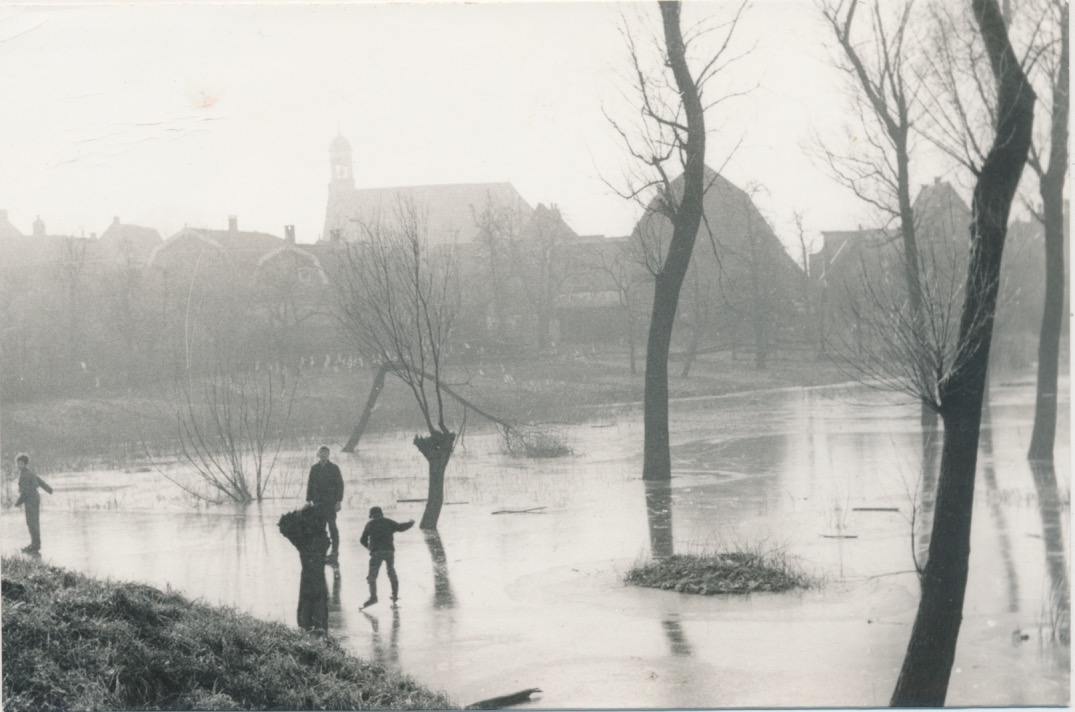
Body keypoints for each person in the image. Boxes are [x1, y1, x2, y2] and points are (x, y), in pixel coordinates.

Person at [359, 506, 414, 608]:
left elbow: (362, 540)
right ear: (381, 514)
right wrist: (410, 523)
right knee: (391, 571)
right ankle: (395, 595)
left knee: (372, 576)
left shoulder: (369, 524)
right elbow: (400, 527)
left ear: (371, 515)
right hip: (389, 551)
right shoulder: (388, 522)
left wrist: (370, 548)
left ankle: (373, 597)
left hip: (376, 552)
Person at [306, 445, 344, 565]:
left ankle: (334, 551)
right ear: (317, 455)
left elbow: (340, 485)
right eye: (321, 453)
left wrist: (339, 501)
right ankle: (321, 552)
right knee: (320, 528)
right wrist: (309, 500)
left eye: (326, 453)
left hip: (330, 503)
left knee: (332, 526)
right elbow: (310, 484)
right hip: (318, 503)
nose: (323, 455)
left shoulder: (334, 468)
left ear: (329, 455)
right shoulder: (314, 468)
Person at [14, 453, 53, 553]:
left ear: (25, 464)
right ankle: (35, 544)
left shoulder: (25, 474)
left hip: (31, 499)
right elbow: (39, 481)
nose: (18, 465)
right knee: (34, 522)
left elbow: (26, 492)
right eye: (18, 463)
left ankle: (35, 545)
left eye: (21, 463)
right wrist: (49, 489)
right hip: (34, 498)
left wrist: (18, 503)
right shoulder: (28, 472)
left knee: (32, 523)